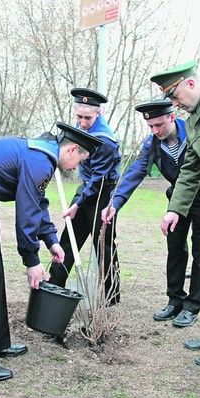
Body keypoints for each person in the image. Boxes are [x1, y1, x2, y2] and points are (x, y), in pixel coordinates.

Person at [0, 122, 102, 382]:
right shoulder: (40, 160)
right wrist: (32, 260)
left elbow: (37, 201)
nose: (76, 168)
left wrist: (51, 240)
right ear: (72, 150)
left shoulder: (40, 155)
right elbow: (26, 214)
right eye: (80, 161)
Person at [101, 99, 200, 327]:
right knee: (175, 250)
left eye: (159, 125)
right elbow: (135, 172)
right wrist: (115, 202)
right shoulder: (152, 143)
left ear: (172, 117)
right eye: (150, 126)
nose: (155, 131)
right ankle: (175, 300)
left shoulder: (194, 132)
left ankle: (192, 306)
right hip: (176, 202)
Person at [151, 60, 200, 367]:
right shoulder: (194, 122)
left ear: (192, 84)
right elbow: (191, 171)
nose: (174, 104)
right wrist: (174, 210)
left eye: (174, 95)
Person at [49, 88, 121, 305]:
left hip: (102, 194)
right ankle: (54, 285)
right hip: (85, 190)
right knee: (68, 239)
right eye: (78, 116)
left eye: (87, 118)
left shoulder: (105, 140)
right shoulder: (81, 131)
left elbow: (98, 179)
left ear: (98, 114)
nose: (82, 122)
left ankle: (111, 297)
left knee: (104, 246)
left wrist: (78, 204)